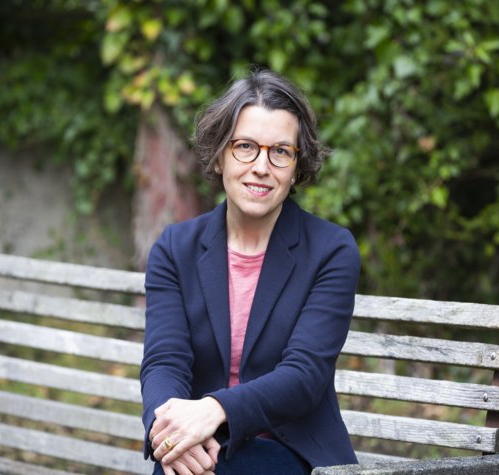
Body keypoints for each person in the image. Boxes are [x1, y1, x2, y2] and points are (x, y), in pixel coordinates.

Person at [140, 69, 361, 475]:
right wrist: (169, 435)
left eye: (281, 152)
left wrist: (214, 409)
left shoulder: (331, 250)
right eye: (245, 146)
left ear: (297, 167)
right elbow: (164, 361)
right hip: (203, 446)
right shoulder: (175, 249)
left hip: (294, 453)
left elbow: (304, 376)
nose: (261, 166)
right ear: (219, 154)